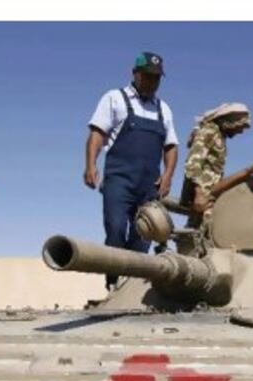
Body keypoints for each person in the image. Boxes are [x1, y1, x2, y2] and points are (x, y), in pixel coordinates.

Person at [84, 52, 179, 288]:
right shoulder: (115, 98)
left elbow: (171, 146)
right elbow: (97, 134)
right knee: (116, 229)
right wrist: (90, 165)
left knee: (145, 235)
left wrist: (167, 176)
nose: (152, 82)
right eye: (147, 76)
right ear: (135, 74)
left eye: (157, 78)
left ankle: (131, 288)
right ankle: (113, 283)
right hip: (119, 180)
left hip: (149, 186)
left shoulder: (163, 109)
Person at [179, 103, 252, 230]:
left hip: (210, 195)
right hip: (203, 194)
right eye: (240, 126)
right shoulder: (210, 130)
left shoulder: (220, 135)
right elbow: (193, 162)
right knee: (201, 233)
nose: (240, 131)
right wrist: (199, 193)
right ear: (231, 121)